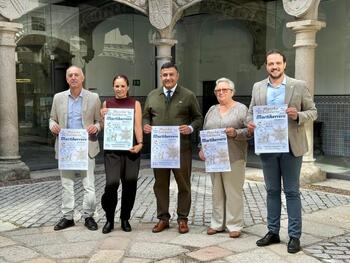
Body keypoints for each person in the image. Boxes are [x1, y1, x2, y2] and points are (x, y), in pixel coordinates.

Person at [247, 49, 317, 253]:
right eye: (270, 64)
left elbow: (313, 111)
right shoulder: (258, 87)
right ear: (266, 66)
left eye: (278, 63)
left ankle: (294, 236)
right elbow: (251, 112)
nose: (274, 67)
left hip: (291, 146)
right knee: (272, 191)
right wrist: (250, 123)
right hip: (267, 145)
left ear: (285, 65)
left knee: (292, 191)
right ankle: (273, 232)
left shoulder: (299, 85)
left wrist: (298, 116)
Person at [143, 62, 203, 234]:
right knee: (160, 184)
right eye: (164, 75)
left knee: (183, 184)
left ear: (177, 76)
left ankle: (183, 219)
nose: (167, 78)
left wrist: (190, 128)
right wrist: (146, 125)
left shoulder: (188, 95)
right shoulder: (153, 95)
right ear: (160, 76)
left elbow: (198, 118)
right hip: (160, 149)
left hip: (181, 149)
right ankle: (163, 218)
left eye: (171, 74)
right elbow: (146, 116)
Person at [49, 66, 101, 231]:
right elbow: (52, 118)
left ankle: (88, 216)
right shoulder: (58, 98)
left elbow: (100, 121)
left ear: (82, 77)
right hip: (66, 148)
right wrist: (53, 126)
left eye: (76, 75)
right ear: (66, 79)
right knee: (67, 184)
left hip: (86, 147)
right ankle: (68, 217)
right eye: (70, 75)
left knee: (89, 185)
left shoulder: (93, 98)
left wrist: (97, 127)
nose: (73, 78)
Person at [199, 77, 251, 238]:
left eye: (224, 90)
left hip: (234, 157)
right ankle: (217, 223)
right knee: (216, 191)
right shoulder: (212, 110)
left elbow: (250, 131)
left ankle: (234, 225)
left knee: (233, 191)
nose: (221, 93)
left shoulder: (241, 109)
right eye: (218, 91)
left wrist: (236, 133)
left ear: (232, 92)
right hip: (214, 158)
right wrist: (201, 148)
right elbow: (205, 130)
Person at [100, 75, 143, 234]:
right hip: (112, 151)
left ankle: (125, 218)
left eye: (122, 86)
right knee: (111, 184)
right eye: (117, 86)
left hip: (131, 149)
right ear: (113, 87)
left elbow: (137, 125)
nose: (119, 89)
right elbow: (105, 129)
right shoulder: (107, 104)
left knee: (130, 184)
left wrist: (140, 144)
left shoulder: (135, 103)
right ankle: (109, 219)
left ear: (128, 87)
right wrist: (103, 117)